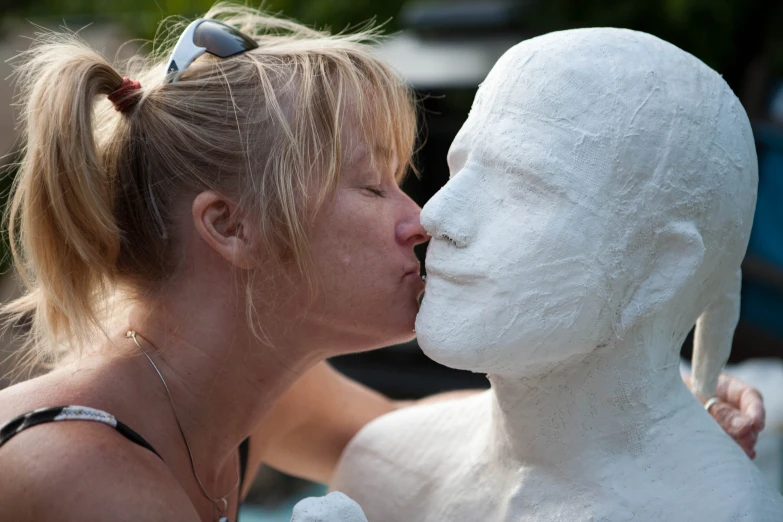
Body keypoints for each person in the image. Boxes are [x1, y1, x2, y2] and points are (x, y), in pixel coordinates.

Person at [0, 6, 764, 522]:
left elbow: (422, 442)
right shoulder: (86, 478)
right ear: (230, 227)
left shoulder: (239, 398)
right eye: (373, 185)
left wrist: (650, 422)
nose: (422, 217)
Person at [331, 28, 783, 521]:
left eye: (523, 186)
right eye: (458, 169)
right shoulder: (380, 473)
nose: (436, 215)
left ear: (663, 269)